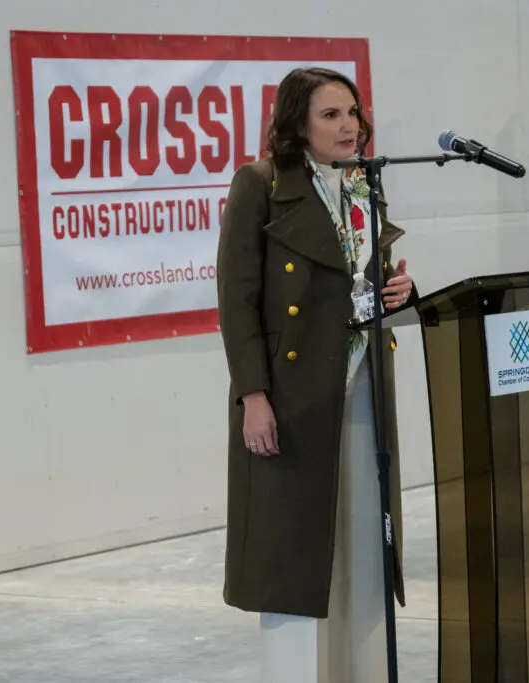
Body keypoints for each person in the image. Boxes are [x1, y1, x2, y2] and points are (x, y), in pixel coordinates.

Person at [215, 66, 418, 683]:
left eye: (352, 112)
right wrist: (254, 397)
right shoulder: (259, 184)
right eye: (331, 115)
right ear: (297, 123)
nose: (348, 125)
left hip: (362, 387)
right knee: (292, 554)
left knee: (363, 544)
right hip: (291, 397)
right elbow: (237, 301)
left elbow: (365, 283)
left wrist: (401, 291)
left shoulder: (363, 184)